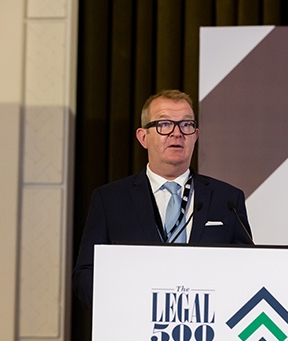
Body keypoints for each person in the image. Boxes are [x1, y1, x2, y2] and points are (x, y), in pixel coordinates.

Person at [72, 89, 252, 309]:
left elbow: (247, 270)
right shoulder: (110, 200)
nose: (177, 133)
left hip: (206, 322)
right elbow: (86, 274)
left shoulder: (227, 200)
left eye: (186, 125)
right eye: (164, 124)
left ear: (195, 136)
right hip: (134, 322)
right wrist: (122, 307)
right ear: (143, 137)